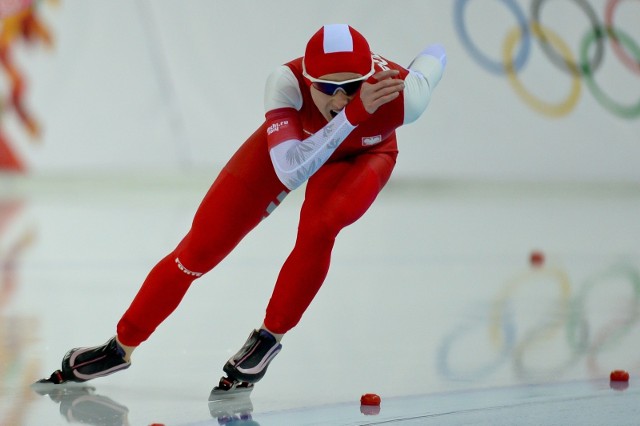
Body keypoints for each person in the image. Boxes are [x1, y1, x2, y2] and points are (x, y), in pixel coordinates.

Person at [38, 24, 446, 391]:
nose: (339, 99)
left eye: (352, 86)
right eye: (326, 88)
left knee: (323, 224)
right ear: (307, 79)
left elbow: (435, 55)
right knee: (198, 248)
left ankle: (270, 338)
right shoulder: (285, 82)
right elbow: (290, 167)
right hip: (299, 148)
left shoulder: (404, 96)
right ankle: (120, 346)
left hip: (362, 156)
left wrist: (408, 73)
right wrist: (357, 112)